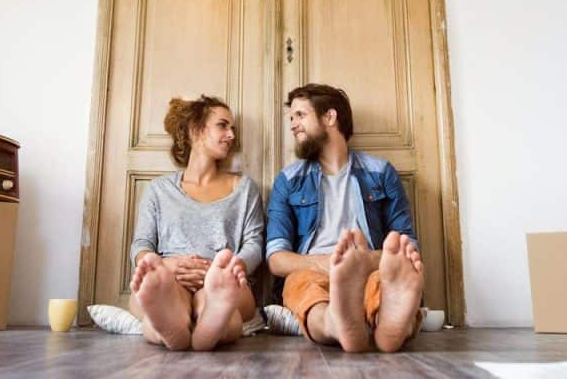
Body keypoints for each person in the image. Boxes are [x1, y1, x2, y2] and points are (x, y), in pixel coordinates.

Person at [266, 84, 424, 352]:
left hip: (370, 267)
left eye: (300, 115)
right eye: (291, 118)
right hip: (310, 272)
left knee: (381, 284)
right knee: (305, 290)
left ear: (329, 117)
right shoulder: (289, 181)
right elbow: (276, 260)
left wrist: (363, 263)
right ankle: (339, 324)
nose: (293, 125)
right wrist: (331, 264)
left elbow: (408, 247)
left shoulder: (380, 172)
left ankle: (390, 326)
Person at [128, 95, 264, 351]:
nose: (232, 135)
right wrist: (163, 264)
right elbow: (141, 243)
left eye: (232, 128)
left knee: (219, 303)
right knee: (164, 300)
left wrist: (225, 269)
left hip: (225, 277)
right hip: (170, 276)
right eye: (222, 125)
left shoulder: (244, 188)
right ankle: (171, 325)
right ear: (195, 130)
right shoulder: (159, 190)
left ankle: (212, 320)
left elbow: (254, 244)